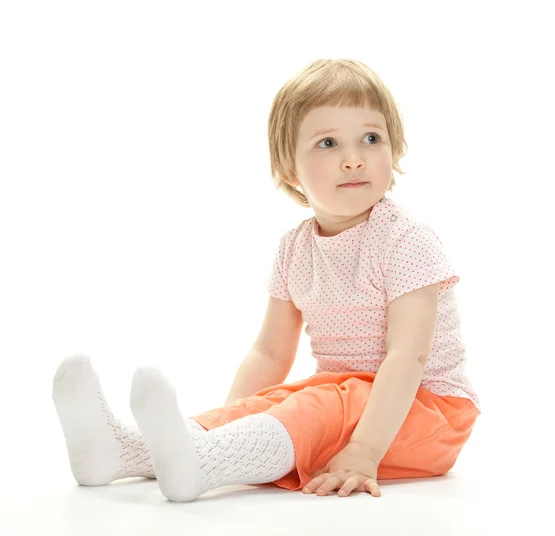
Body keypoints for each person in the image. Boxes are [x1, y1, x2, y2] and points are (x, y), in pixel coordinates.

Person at [52, 58, 482, 503]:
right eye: (328, 143)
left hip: (428, 412)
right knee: (281, 399)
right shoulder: (295, 248)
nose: (354, 160)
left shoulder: (404, 240)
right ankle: (123, 453)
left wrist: (364, 451)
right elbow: (270, 352)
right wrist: (230, 418)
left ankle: (202, 464)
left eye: (371, 139)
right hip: (345, 398)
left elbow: (407, 356)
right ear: (290, 170)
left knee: (317, 403)